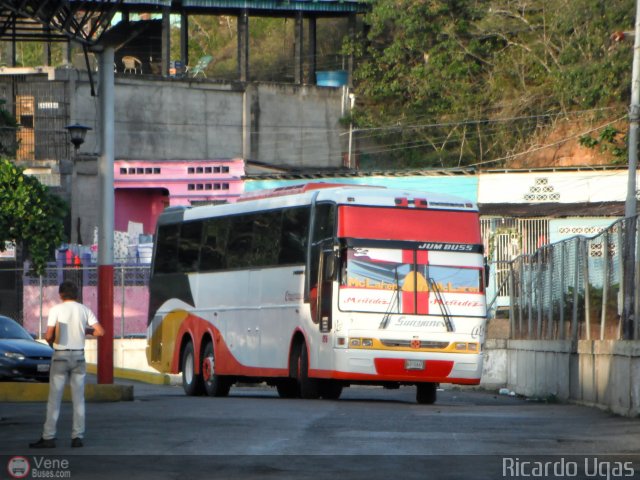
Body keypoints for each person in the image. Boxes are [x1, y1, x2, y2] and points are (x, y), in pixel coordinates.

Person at [29, 281, 104, 449]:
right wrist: (85, 330)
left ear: (61, 294)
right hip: (79, 357)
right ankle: (77, 437)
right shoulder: (84, 310)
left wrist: (52, 342)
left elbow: (48, 335)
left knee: (54, 399)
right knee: (79, 399)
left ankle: (48, 437)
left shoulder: (56, 310)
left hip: (60, 357)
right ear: (76, 294)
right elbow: (100, 331)